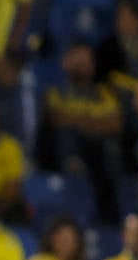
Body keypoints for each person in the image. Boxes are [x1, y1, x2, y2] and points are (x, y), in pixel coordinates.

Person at [46, 42, 125, 222]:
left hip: (97, 150)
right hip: (67, 149)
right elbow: (57, 119)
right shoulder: (56, 91)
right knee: (67, 136)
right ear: (65, 62)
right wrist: (92, 120)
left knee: (109, 145)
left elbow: (115, 124)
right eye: (77, 61)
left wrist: (76, 119)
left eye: (85, 62)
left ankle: (109, 214)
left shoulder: (103, 92)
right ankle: (74, 182)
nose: (81, 66)